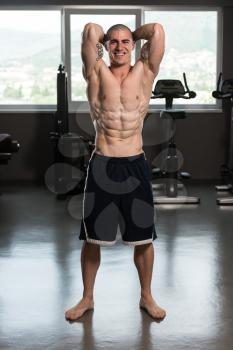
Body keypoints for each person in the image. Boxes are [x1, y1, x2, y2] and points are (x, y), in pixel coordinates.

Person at [65, 22, 166, 321]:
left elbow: (157, 31)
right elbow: (90, 29)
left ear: (134, 45)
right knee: (92, 238)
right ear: (105, 46)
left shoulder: (145, 71)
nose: (120, 47)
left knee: (143, 238)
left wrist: (131, 35)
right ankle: (87, 298)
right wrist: (109, 36)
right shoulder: (95, 71)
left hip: (135, 163)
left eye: (126, 42)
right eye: (114, 42)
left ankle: (146, 296)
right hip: (102, 163)